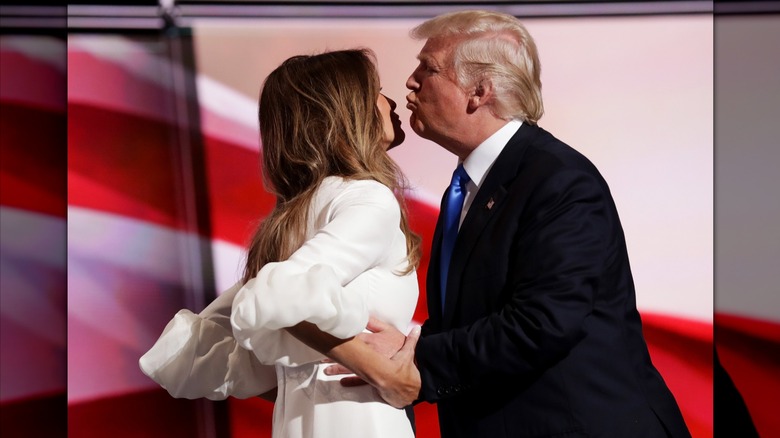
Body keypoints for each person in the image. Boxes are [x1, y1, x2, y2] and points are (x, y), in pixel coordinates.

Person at [321, 10, 692, 438]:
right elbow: (477, 316)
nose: (411, 80)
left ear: (479, 91)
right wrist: (406, 348)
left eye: (429, 67)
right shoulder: (469, 186)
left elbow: (542, 322)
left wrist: (419, 360)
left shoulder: (559, 180)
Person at [139, 48, 422, 438]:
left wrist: (301, 379)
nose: (390, 101)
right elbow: (274, 297)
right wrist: (383, 374)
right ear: (346, 110)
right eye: (377, 89)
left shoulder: (291, 215)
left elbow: (190, 351)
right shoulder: (368, 198)